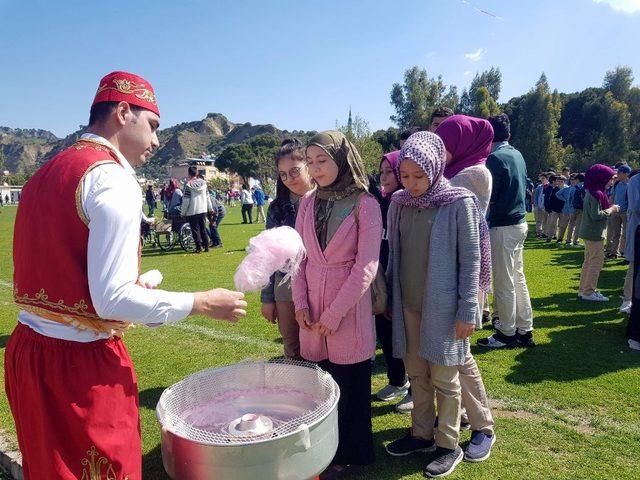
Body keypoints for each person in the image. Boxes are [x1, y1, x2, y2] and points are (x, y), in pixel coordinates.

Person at [6, 71, 247, 479]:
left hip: (29, 353)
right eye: (153, 126)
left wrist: (129, 290)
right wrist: (202, 302)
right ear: (122, 112)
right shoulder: (112, 178)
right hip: (78, 367)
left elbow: (71, 273)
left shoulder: (45, 174)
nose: (155, 141)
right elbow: (111, 299)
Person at [385, 131, 493, 477]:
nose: (412, 184)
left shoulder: (458, 202)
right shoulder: (399, 204)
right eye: (405, 175)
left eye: (419, 176)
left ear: (434, 168)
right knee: (416, 372)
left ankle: (448, 444)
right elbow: (394, 257)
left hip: (445, 310)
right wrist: (389, 295)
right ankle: (421, 434)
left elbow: (472, 261)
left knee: (446, 379)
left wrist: (467, 310)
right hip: (408, 305)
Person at [292, 131, 381, 478]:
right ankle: (323, 447)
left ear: (341, 159)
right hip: (312, 307)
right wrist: (300, 302)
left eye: (322, 160)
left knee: (350, 387)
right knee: (320, 386)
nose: (315, 169)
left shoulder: (365, 203)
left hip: (348, 309)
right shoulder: (308, 203)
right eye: (310, 161)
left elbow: (367, 266)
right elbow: (298, 257)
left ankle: (351, 454)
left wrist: (334, 313)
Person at [435, 114, 495, 452]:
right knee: (447, 353)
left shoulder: (473, 174)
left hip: (462, 278)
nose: (441, 150)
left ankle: (483, 425)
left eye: (447, 143)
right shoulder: (457, 171)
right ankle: (456, 414)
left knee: (460, 354)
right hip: (446, 276)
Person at [477, 114, 534, 349]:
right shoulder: (516, 154)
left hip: (503, 225)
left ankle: (507, 332)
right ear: (508, 134)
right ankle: (524, 327)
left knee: (504, 281)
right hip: (519, 223)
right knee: (518, 278)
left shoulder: (494, 158)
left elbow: (490, 198)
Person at [261, 139, 314, 360]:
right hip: (285, 288)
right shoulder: (277, 208)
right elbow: (269, 256)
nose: (289, 179)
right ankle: (297, 393)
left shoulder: (324, 201)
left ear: (308, 166)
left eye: (294, 171)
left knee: (317, 347)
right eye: (283, 174)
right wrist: (267, 297)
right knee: (292, 348)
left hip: (318, 287)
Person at [374, 150, 412, 413]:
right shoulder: (381, 202)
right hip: (381, 283)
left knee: (408, 339)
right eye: (382, 172)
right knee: (385, 334)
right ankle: (397, 380)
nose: (384, 177)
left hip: (404, 283)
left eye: (390, 171)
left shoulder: (407, 203)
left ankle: (415, 388)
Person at [578, 164, 619, 302]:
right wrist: (611, 209)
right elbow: (596, 215)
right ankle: (589, 292)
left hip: (590, 233)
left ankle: (583, 290)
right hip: (594, 233)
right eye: (610, 179)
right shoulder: (596, 194)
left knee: (589, 261)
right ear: (601, 178)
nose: (611, 182)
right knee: (596, 262)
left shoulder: (593, 191)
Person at [621, 171, 640, 315]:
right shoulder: (635, 180)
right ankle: (628, 300)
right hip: (637, 229)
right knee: (634, 267)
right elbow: (636, 206)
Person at [181, 165, 210, 253]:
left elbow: (186, 200)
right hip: (203, 209)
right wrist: (210, 208)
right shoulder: (204, 183)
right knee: (203, 228)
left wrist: (183, 212)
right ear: (197, 173)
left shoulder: (188, 185)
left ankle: (198, 247)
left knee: (195, 230)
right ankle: (206, 246)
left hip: (192, 211)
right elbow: (208, 197)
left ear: (189, 173)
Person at [605, 164, 631, 259]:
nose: (617, 174)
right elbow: (612, 197)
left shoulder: (630, 184)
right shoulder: (616, 184)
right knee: (615, 233)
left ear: (626, 174)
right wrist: (611, 209)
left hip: (626, 212)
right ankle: (613, 252)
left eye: (619, 172)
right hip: (615, 212)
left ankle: (623, 252)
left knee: (625, 233)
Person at [545, 175, 566, 243]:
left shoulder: (566, 189)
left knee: (562, 225)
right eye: (558, 181)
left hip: (563, 210)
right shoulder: (554, 189)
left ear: (564, 182)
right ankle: (549, 237)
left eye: (561, 181)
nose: (559, 183)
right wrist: (551, 208)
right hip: (555, 209)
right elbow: (551, 199)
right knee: (552, 223)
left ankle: (560, 238)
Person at [533, 173, 549, 238]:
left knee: (545, 220)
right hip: (538, 206)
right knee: (538, 220)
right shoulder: (539, 187)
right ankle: (538, 233)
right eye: (541, 178)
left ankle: (544, 233)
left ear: (546, 179)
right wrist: (536, 205)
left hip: (546, 206)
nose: (542, 180)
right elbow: (536, 196)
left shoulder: (549, 186)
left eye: (543, 178)